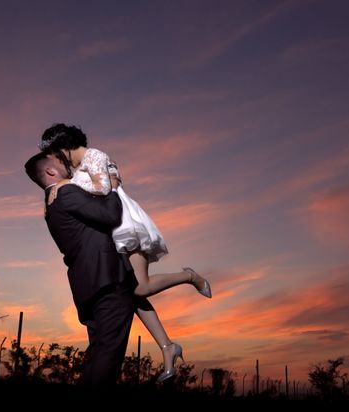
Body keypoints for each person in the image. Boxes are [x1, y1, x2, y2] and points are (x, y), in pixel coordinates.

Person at [38, 123, 212, 382]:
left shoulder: (93, 155)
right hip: (111, 229)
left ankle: (189, 277)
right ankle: (167, 347)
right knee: (133, 291)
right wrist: (59, 188)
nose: (52, 158)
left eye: (52, 152)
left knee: (141, 288)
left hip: (124, 223)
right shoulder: (74, 174)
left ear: (62, 146)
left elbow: (103, 189)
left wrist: (65, 185)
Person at [25, 151, 136, 388]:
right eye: (58, 161)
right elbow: (111, 215)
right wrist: (114, 188)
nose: (65, 161)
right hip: (107, 280)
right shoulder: (66, 194)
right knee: (108, 357)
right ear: (50, 171)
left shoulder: (51, 203)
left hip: (87, 286)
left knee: (98, 353)